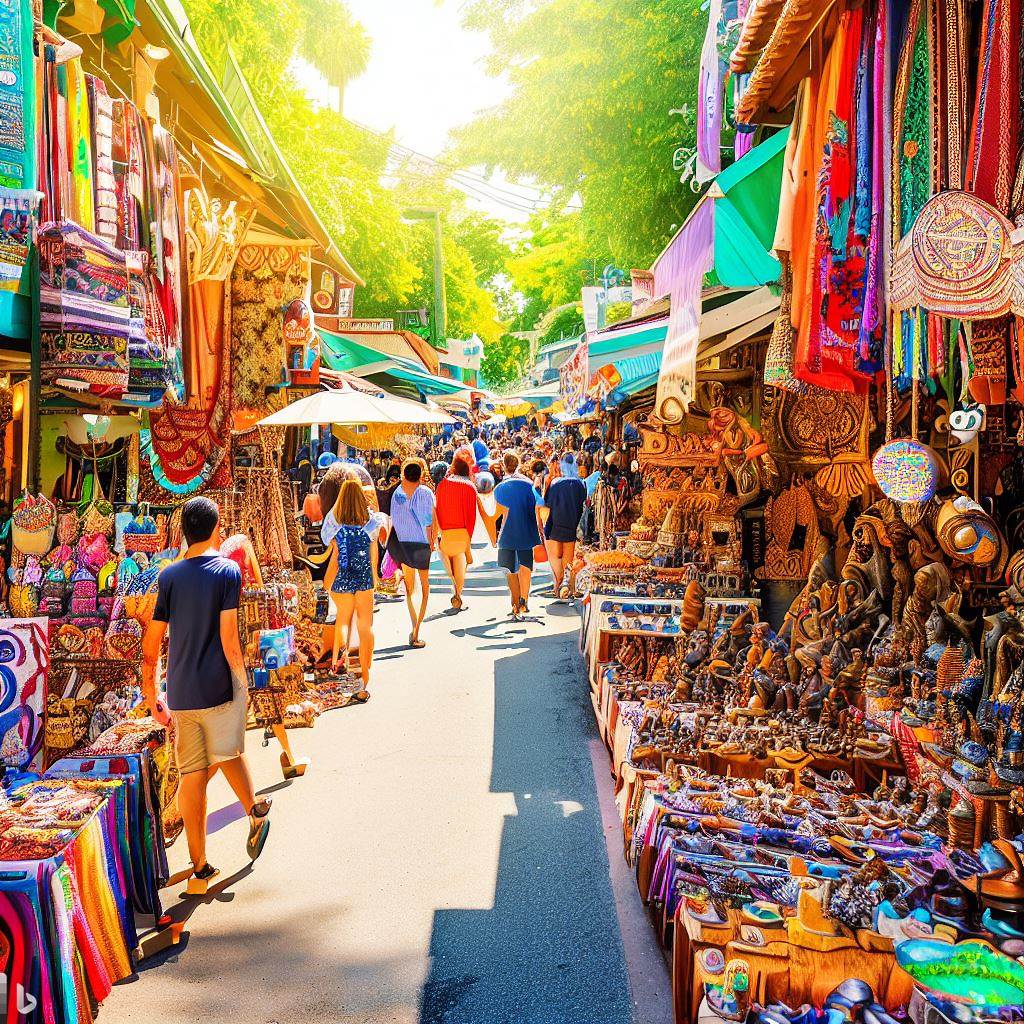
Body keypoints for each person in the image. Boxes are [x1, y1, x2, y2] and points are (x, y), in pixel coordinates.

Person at [142, 496, 270, 886]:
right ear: (217, 528)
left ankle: (200, 865)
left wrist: (152, 695)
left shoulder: (169, 576)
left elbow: (152, 643)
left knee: (193, 776)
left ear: (182, 530)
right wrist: (243, 680)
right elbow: (230, 638)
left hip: (181, 692)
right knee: (228, 750)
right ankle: (256, 811)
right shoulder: (227, 572)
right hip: (217, 684)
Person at [321, 479, 388, 692]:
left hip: (342, 576)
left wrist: (327, 581)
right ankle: (365, 671)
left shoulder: (336, 526)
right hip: (364, 577)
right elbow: (373, 553)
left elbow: (334, 554)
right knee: (365, 626)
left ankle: (340, 669)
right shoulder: (370, 524)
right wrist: (375, 576)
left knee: (343, 620)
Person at [387, 459, 437, 648]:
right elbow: (427, 521)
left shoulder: (397, 493)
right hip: (420, 544)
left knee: (410, 589)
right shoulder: (425, 492)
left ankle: (413, 625)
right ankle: (416, 631)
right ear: (421, 476)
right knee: (425, 588)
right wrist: (432, 541)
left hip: (402, 543)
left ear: (403, 475)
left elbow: (394, 518)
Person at [494, 450, 544, 619]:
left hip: (507, 534)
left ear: (503, 465)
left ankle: (514, 604)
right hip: (526, 531)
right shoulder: (528, 484)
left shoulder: (500, 487)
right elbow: (538, 506)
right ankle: (524, 600)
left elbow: (496, 514)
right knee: (525, 567)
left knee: (510, 570)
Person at [436, 454, 488, 610]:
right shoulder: (470, 487)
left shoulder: (442, 485)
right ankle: (457, 594)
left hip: (445, 531)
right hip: (462, 532)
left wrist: (440, 531)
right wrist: (469, 538)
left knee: (450, 567)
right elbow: (471, 516)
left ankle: (456, 592)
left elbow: (437, 509)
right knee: (460, 566)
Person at [543, 453, 587, 598]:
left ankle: (558, 586)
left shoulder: (556, 483)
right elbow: (583, 504)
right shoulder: (580, 484)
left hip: (555, 524)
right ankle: (568, 587)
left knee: (557, 557)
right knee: (568, 559)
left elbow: (548, 504)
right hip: (571, 525)